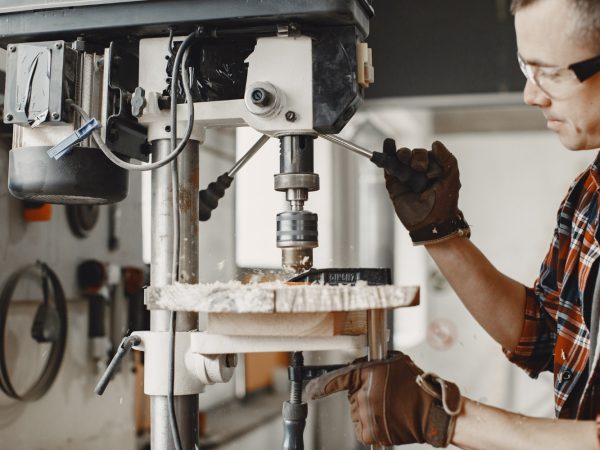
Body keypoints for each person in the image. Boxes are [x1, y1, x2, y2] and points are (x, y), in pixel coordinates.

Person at [306, 0, 600, 448]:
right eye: (527, 67)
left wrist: (442, 415)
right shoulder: (590, 192)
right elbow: (546, 337)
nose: (531, 94)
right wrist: (440, 233)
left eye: (552, 73)